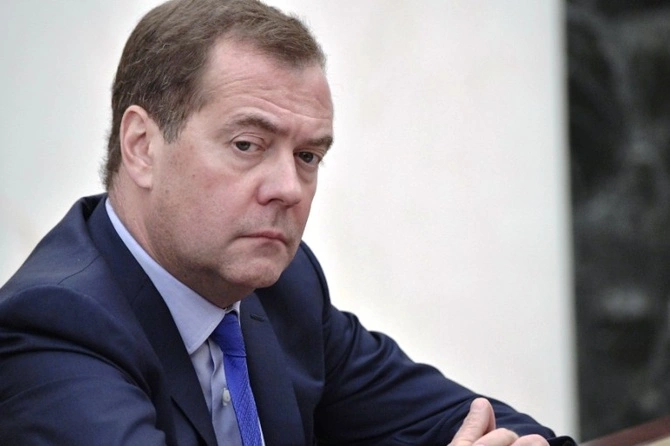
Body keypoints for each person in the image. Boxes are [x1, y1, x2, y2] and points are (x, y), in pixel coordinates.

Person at [0, 1, 576, 445]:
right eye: (247, 144)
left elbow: (469, 419)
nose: (289, 189)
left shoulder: (283, 288)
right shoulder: (54, 329)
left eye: (307, 156)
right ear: (142, 146)